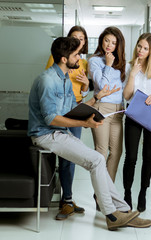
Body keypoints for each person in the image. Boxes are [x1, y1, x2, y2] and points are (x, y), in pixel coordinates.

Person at [28, 37, 151, 230]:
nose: (79, 57)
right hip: (46, 134)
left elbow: (71, 109)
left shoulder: (64, 79)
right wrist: (82, 122)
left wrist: (95, 99)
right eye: (76, 54)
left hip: (60, 133)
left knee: (98, 160)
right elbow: (50, 119)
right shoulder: (47, 81)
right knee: (96, 160)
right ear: (63, 58)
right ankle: (111, 215)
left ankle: (124, 211)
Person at [45, 25, 90, 220]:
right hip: (58, 111)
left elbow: (85, 90)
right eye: (74, 37)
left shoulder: (84, 62)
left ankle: (68, 199)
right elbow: (49, 81)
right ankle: (64, 201)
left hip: (76, 110)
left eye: (81, 38)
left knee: (70, 157)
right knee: (59, 155)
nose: (78, 41)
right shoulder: (57, 59)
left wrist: (87, 85)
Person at [122, 33, 151, 212]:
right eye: (139, 46)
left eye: (146, 48)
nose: (141, 50)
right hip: (133, 113)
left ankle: (142, 193)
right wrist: (132, 74)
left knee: (148, 156)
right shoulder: (129, 66)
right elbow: (126, 95)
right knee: (131, 157)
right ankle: (127, 193)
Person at [88, 27, 126, 182]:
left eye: (114, 42)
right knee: (101, 153)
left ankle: (107, 190)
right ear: (101, 40)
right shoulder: (94, 61)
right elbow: (103, 87)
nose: (109, 45)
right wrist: (108, 65)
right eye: (106, 40)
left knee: (116, 153)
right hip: (102, 109)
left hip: (118, 111)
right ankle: (100, 193)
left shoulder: (121, 63)